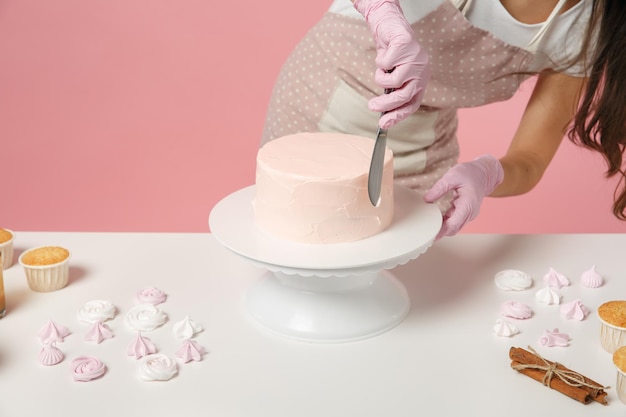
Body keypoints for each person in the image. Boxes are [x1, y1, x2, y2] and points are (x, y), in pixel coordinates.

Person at [261, 0, 626, 238]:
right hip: (323, 102)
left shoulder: (588, 30)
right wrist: (383, 14)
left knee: (403, 276)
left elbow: (529, 159)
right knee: (305, 244)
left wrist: (487, 175)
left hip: (423, 144)